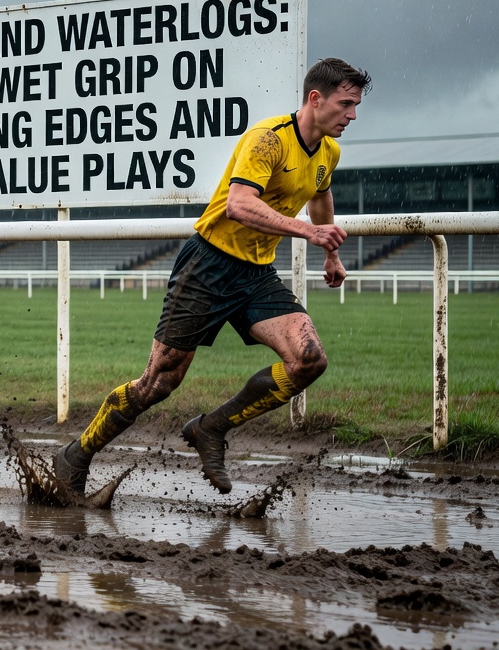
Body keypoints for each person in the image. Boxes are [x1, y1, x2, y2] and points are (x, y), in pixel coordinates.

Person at [55, 58, 372, 494]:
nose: (352, 115)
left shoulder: (329, 152)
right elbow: (238, 205)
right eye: (346, 104)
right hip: (207, 267)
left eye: (355, 106)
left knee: (309, 359)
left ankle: (211, 429)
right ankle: (76, 455)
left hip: (256, 275)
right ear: (315, 99)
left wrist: (330, 253)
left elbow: (320, 193)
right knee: (158, 384)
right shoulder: (267, 140)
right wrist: (308, 232)